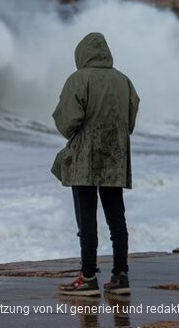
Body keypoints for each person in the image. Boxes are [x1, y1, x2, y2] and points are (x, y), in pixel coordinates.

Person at [51, 32, 140, 296]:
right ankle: (120, 276)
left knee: (87, 219)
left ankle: (88, 277)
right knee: (116, 217)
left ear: (82, 54)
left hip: (85, 158)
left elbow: (68, 122)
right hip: (115, 155)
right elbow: (131, 118)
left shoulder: (79, 79)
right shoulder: (124, 81)